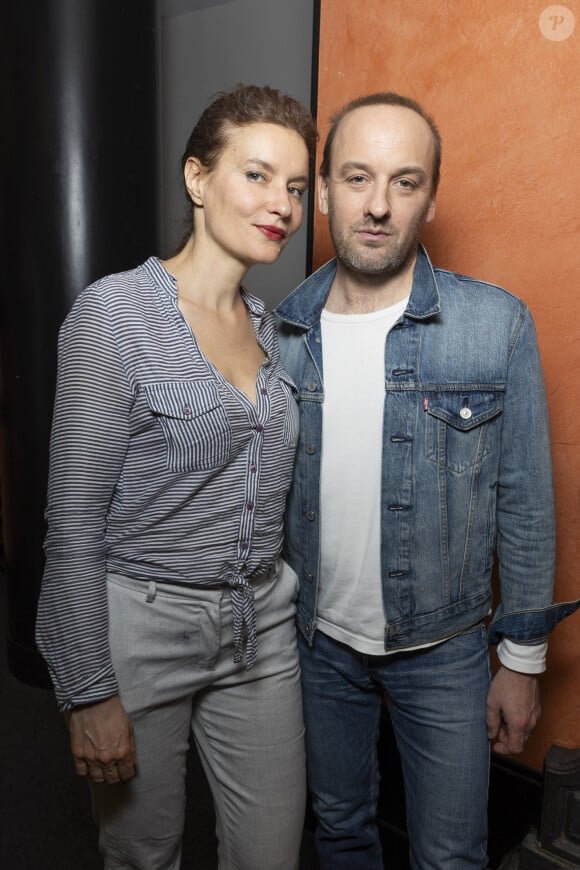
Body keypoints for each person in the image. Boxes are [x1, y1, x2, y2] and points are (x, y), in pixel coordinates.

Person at [275, 92, 578, 869]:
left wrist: (522, 662)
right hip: (317, 646)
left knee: (450, 857)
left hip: (446, 652)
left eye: (404, 182)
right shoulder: (281, 333)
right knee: (340, 830)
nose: (377, 205)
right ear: (325, 189)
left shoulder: (495, 323)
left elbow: (528, 506)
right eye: (357, 178)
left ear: (431, 198)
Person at [35, 83, 318, 870]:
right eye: (257, 175)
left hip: (258, 624)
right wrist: (88, 689)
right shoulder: (114, 314)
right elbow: (74, 525)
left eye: (295, 187)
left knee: (270, 855)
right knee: (142, 852)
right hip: (142, 626)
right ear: (198, 179)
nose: (283, 204)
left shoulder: (272, 326)